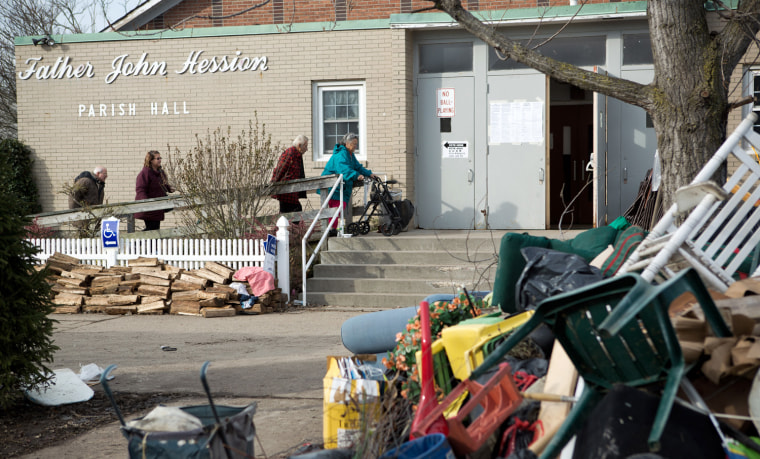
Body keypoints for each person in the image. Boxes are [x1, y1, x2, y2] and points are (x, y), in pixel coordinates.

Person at [319, 133, 378, 236]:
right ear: (347, 143)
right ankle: (331, 231)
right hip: (332, 186)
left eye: (356, 144)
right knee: (335, 209)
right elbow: (343, 170)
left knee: (339, 209)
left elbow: (357, 167)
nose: (356, 146)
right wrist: (356, 175)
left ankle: (333, 230)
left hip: (341, 187)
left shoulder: (350, 154)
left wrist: (369, 173)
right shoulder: (341, 154)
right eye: (354, 144)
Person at [134, 150, 174, 231]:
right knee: (151, 230)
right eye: (157, 158)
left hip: (158, 207)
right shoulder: (145, 173)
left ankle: (136, 242)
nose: (160, 160)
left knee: (154, 230)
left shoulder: (160, 172)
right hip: (149, 208)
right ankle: (135, 242)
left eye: (160, 158)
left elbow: (163, 185)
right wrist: (146, 202)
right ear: (151, 160)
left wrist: (169, 189)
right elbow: (140, 189)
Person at [271, 135, 308, 213]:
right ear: (299, 145)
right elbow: (280, 170)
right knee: (295, 212)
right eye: (305, 146)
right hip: (287, 193)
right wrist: (273, 185)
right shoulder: (290, 153)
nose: (307, 149)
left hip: (292, 193)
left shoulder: (297, 155)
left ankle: (284, 225)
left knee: (288, 215)